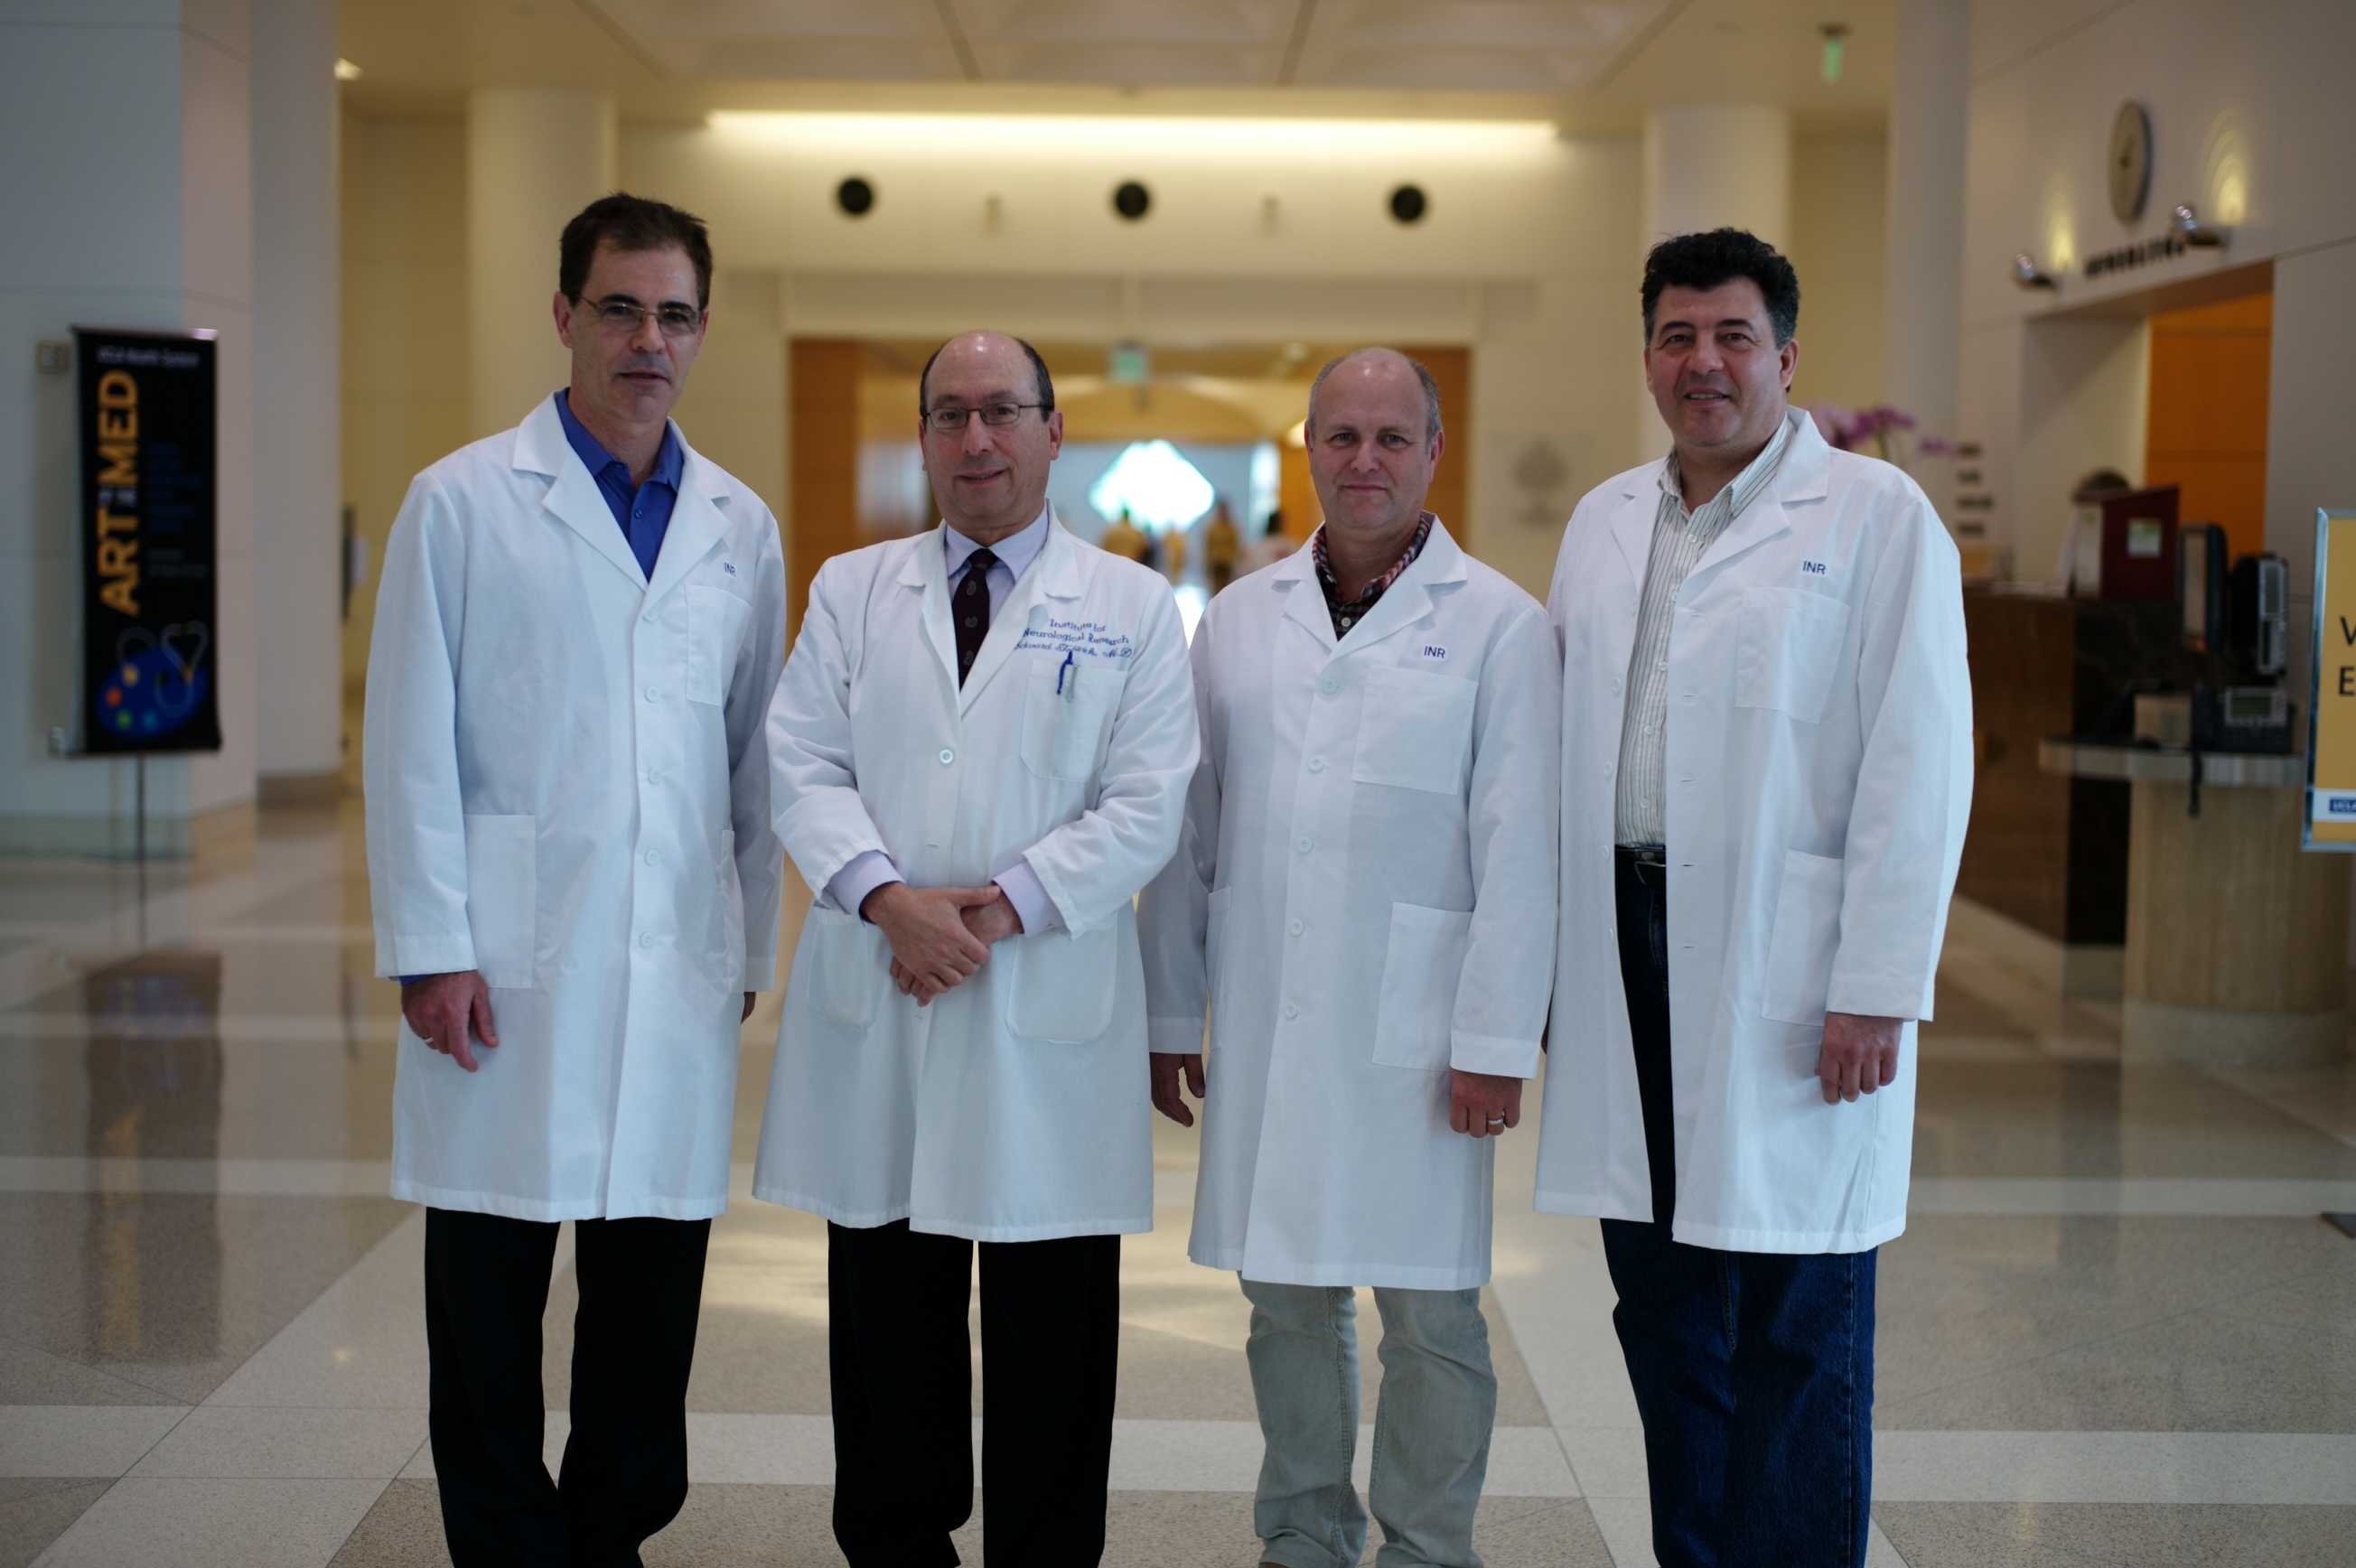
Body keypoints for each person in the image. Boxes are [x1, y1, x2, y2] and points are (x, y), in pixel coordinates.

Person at [1533, 228, 1972, 1567]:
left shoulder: (1877, 515)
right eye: (1677, 336)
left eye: (1732, 337)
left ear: (1786, 357)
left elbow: (1922, 760)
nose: (1704, 363)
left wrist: (1875, 985)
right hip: (1626, 944)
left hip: (1791, 965)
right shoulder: (1606, 519)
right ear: (1649, 357)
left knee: (1796, 1315)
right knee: (1661, 1305)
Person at [363, 192, 787, 1565]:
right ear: (564, 317)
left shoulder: (739, 525)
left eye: (673, 315)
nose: (646, 340)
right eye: (619, 307)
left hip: (674, 956)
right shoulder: (464, 501)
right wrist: (431, 946)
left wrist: (744, 952)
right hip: (505, 956)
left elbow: (752, 765)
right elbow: (409, 743)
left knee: (648, 1299)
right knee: (488, 1289)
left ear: (701, 334)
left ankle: (611, 1533)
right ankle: (500, 1539)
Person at [753, 330, 1198, 1566]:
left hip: (1037, 1004)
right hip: (883, 987)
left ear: (1056, 432)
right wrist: (890, 901)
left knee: (1055, 1340)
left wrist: (991, 911)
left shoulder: (1130, 605)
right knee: (888, 1333)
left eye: (1004, 412)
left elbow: (1149, 802)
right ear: (925, 437)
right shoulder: (853, 587)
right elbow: (801, 762)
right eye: (950, 415)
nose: (976, 440)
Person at [1140, 350, 1560, 1568]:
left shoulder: (1500, 625)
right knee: (1284, 1299)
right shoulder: (1237, 619)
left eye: (1392, 438)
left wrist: (1493, 1039)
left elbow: (1520, 851)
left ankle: (1429, 1546)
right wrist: (1174, 1015)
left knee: (1432, 1314)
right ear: (1308, 450)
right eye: (1341, 438)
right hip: (1271, 1013)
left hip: (1422, 1031)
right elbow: (1190, 840)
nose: (1364, 461)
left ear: (1434, 452)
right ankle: (1304, 1535)